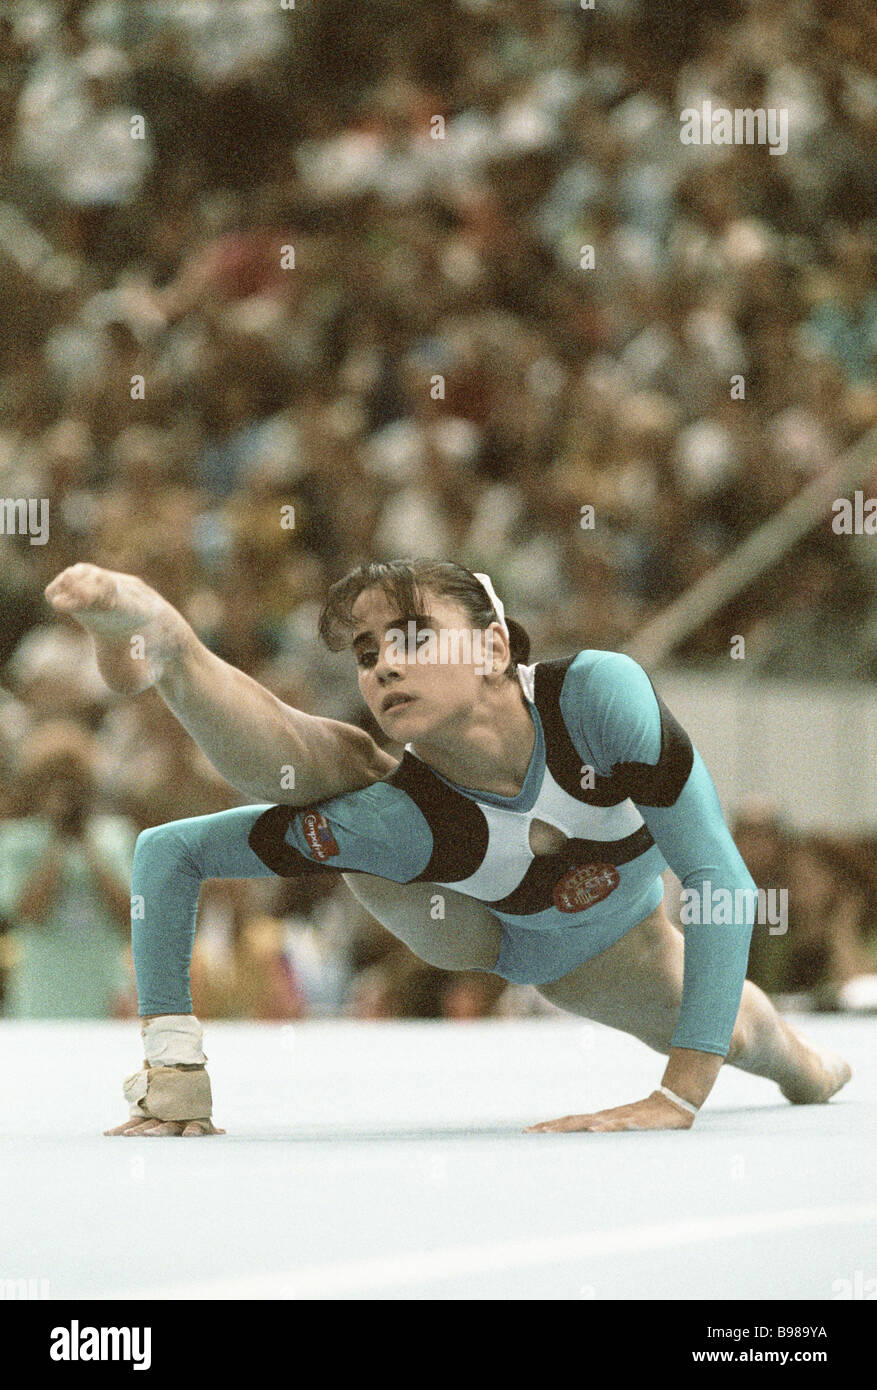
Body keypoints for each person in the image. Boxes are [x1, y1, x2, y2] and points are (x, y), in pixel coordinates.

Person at [43, 561, 851, 1135]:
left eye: (415, 637)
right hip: (468, 920)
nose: (385, 666)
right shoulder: (396, 816)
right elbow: (166, 857)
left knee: (753, 1043)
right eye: (367, 655)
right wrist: (172, 1066)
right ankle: (175, 652)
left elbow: (720, 880)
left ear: (496, 648)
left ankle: (811, 1070)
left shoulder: (597, 700)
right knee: (347, 781)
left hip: (601, 948)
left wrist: (678, 1095)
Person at [0, 721, 136, 1018]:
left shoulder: (116, 836)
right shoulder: (16, 840)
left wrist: (87, 844)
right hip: (43, 986)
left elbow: (129, 912)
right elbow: (27, 913)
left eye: (74, 781)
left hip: (103, 982)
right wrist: (58, 841)